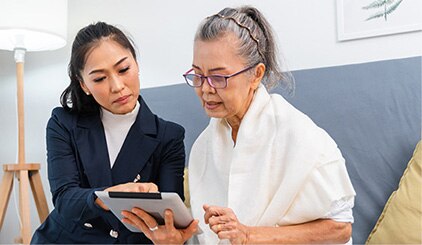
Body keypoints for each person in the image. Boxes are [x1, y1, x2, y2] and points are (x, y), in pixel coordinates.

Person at [122, 5, 356, 244]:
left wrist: (249, 235)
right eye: (198, 75)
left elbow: (340, 229)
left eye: (218, 77)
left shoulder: (302, 137)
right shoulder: (204, 146)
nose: (205, 89)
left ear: (256, 75)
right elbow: (209, 236)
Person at [30, 22, 197, 244]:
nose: (117, 86)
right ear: (84, 85)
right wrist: (112, 195)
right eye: (99, 78)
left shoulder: (169, 136)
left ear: (136, 65)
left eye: (123, 69)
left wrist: (169, 238)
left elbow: (170, 217)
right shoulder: (63, 123)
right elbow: (65, 199)